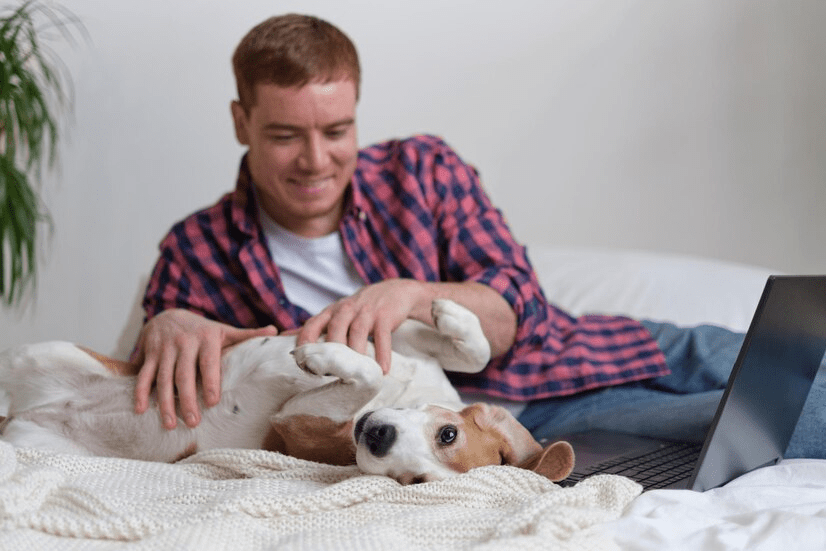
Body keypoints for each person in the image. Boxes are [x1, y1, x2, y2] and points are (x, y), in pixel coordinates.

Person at [134, 14, 825, 458]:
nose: (317, 160)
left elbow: (516, 307)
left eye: (337, 130)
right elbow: (156, 361)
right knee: (776, 416)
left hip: (577, 348)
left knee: (788, 354)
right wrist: (163, 324)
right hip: (513, 421)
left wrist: (413, 293)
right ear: (239, 120)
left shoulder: (423, 169)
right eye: (285, 135)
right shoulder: (199, 248)